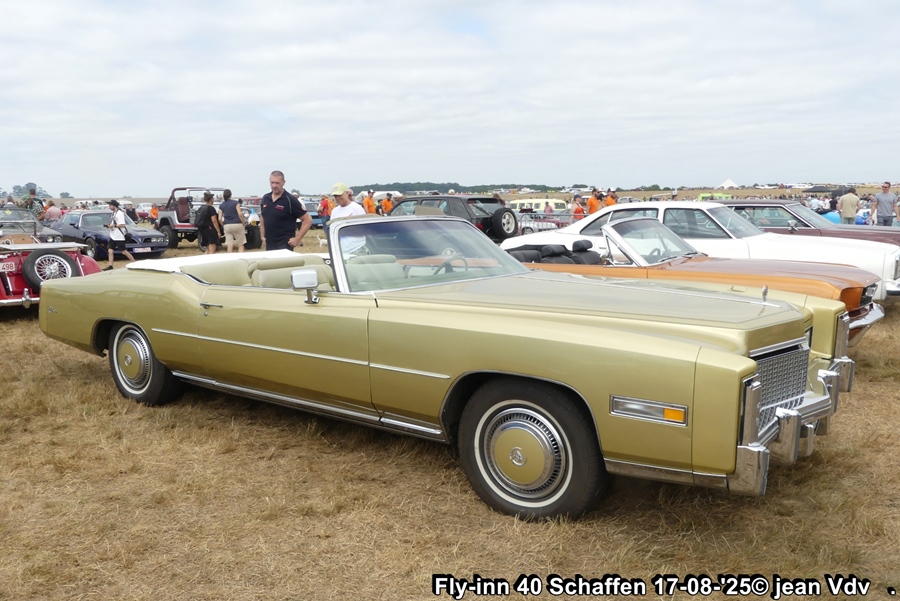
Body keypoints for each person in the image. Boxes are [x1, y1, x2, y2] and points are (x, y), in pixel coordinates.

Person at [259, 170, 312, 251]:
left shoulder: (290, 200)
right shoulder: (265, 198)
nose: (274, 185)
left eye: (277, 183)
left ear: (283, 182)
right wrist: (262, 236)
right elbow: (263, 217)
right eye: (272, 182)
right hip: (269, 244)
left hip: (284, 245)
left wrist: (297, 239)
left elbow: (308, 220)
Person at [104, 199, 135, 270]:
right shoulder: (113, 213)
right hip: (113, 235)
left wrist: (114, 225)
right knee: (110, 250)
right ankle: (110, 266)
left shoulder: (120, 213)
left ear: (114, 206)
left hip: (119, 236)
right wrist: (109, 226)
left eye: (110, 205)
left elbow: (122, 225)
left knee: (124, 252)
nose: (109, 207)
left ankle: (134, 263)